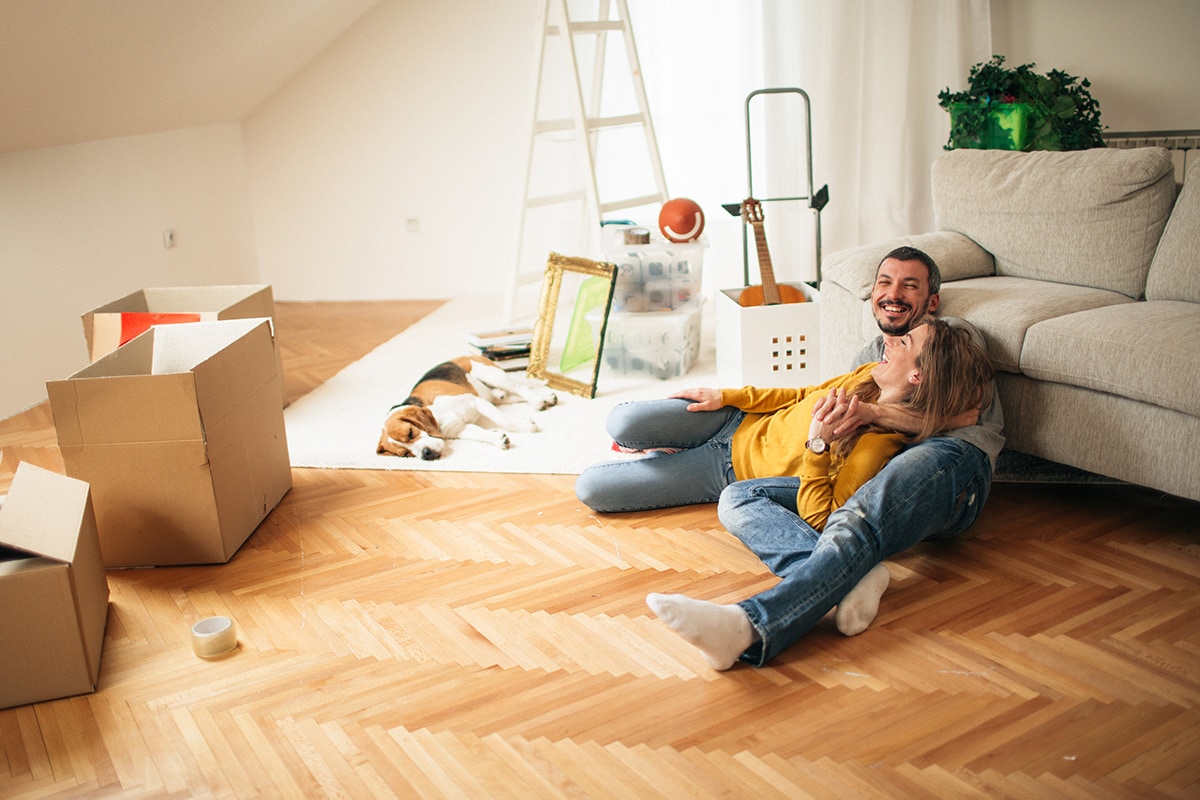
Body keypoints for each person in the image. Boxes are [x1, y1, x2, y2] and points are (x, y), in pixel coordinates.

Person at [644, 246, 1006, 669]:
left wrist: (868, 413)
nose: (893, 294)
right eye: (884, 283)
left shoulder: (953, 335)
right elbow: (820, 415)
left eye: (910, 285)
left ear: (932, 302)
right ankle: (857, 577)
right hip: (886, 471)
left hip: (956, 457)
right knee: (740, 498)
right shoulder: (871, 357)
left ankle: (750, 626)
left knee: (854, 520)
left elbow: (965, 412)